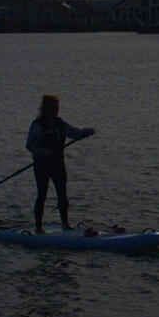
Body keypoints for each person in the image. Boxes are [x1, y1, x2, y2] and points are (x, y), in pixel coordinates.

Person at [26, 94, 94, 232]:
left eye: (57, 107)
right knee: (42, 194)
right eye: (53, 107)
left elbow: (74, 133)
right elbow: (30, 145)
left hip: (57, 164)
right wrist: (45, 152)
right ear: (45, 108)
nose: (56, 110)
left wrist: (87, 132)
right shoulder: (38, 125)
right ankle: (38, 227)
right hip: (42, 165)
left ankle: (65, 225)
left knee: (62, 193)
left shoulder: (60, 124)